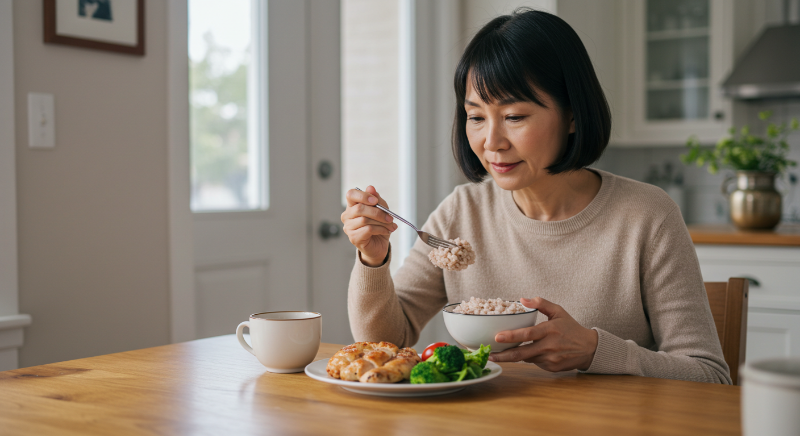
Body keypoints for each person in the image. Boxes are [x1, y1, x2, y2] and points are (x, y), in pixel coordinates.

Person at [340, 9, 730, 384]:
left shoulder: (647, 216)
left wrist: (596, 351)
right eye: (475, 117)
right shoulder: (461, 212)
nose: (491, 142)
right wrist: (373, 260)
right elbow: (388, 341)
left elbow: (709, 375)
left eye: (514, 117)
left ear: (573, 114)